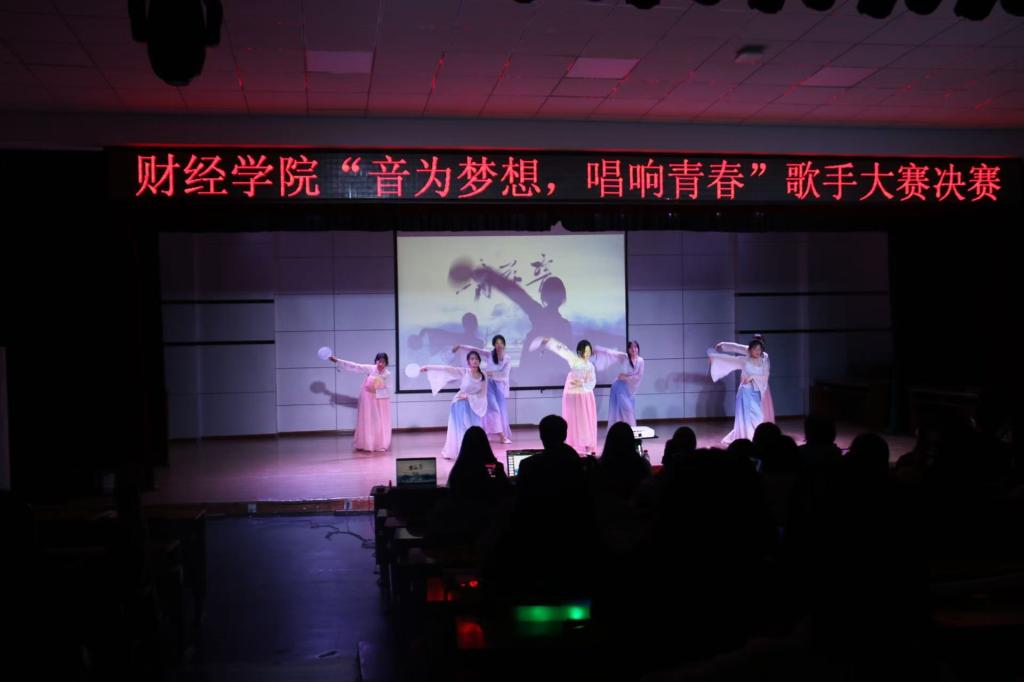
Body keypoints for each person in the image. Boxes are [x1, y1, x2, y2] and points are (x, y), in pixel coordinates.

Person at [419, 350, 488, 459]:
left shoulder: (483, 375)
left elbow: (483, 393)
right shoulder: (464, 372)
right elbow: (446, 369)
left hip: (474, 405)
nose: (474, 361)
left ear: (479, 361)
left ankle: (474, 452)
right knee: (461, 430)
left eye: (476, 359)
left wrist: (470, 397)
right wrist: (429, 367)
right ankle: (463, 454)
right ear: (468, 362)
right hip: (460, 404)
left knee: (475, 429)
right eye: (472, 359)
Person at [707, 335, 774, 445]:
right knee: (746, 416)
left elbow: (765, 374)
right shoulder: (746, 358)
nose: (758, 350)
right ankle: (747, 437)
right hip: (746, 391)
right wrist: (722, 347)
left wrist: (754, 378)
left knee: (759, 415)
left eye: (760, 347)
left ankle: (760, 435)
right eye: (755, 347)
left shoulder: (764, 357)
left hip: (760, 388)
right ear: (751, 348)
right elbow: (735, 350)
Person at [453, 334, 512, 443]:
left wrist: (489, 373)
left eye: (501, 343)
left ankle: (489, 433)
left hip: (500, 387)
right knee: (493, 408)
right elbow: (475, 349)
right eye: (497, 343)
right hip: (488, 385)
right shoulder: (489, 354)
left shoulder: (507, 358)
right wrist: (461, 346)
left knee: (500, 411)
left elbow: (504, 375)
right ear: (494, 345)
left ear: (504, 344)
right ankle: (501, 436)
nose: (499, 345)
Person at [328, 352, 392, 451]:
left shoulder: (387, 374)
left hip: (380, 400)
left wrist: (377, 389)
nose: (380, 364)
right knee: (367, 420)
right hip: (367, 399)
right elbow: (355, 366)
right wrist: (337, 361)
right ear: (375, 361)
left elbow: (388, 389)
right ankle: (367, 443)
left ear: (386, 363)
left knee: (378, 422)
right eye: (378, 361)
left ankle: (379, 444)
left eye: (383, 362)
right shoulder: (371, 368)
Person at [606, 340, 644, 427]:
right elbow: (611, 353)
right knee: (626, 410)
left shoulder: (641, 361)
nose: (633, 349)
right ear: (628, 349)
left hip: (630, 389)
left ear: (638, 348)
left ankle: (627, 431)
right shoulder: (624, 357)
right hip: (619, 386)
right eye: (631, 347)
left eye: (635, 347)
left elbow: (639, 376)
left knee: (626, 411)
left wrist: (626, 378)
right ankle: (623, 430)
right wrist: (599, 350)